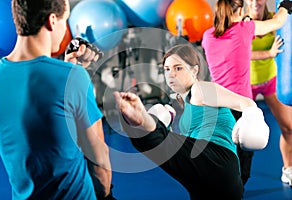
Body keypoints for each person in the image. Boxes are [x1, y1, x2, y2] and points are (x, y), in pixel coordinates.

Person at [113, 44, 269, 199]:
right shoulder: (185, 104)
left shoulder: (201, 89)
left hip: (217, 159)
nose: (171, 74)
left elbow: (247, 103)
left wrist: (253, 116)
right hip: (210, 177)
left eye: (178, 68)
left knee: (155, 139)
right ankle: (144, 125)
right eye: (167, 69)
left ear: (194, 70)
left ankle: (144, 124)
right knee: (159, 129)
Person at [0, 0, 112, 199]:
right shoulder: (71, 78)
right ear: (52, 21)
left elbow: (36, 135)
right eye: (65, 21)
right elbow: (98, 158)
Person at [201, 0, 292, 188]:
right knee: (244, 154)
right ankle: (237, 188)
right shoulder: (244, 28)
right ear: (241, 9)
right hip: (243, 105)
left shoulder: (207, 36)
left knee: (224, 152)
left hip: (218, 104)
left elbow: (232, 44)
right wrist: (285, 5)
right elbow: (277, 22)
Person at [245, 0, 292, 186]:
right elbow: (240, 52)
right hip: (246, 84)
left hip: (272, 81)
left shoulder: (276, 20)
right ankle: (235, 174)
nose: (255, 2)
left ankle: (288, 169)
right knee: (237, 132)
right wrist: (269, 53)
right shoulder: (240, 22)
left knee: (289, 127)